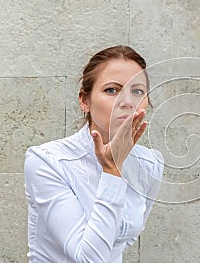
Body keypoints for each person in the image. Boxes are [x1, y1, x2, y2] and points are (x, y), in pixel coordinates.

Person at [24, 45, 164, 262]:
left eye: (137, 91)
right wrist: (112, 170)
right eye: (112, 90)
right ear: (84, 100)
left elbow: (123, 238)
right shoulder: (48, 161)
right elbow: (89, 259)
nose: (126, 102)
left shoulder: (150, 164)